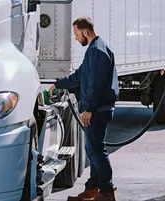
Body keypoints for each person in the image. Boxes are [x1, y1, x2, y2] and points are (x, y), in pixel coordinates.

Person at [49, 17, 119, 201]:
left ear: (85, 32)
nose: (76, 38)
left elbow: (95, 85)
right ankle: (93, 189)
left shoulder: (97, 50)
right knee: (93, 150)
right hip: (98, 108)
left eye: (76, 34)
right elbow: (80, 76)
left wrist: (88, 109)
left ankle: (107, 191)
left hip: (98, 110)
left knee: (96, 151)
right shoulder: (94, 50)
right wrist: (58, 84)